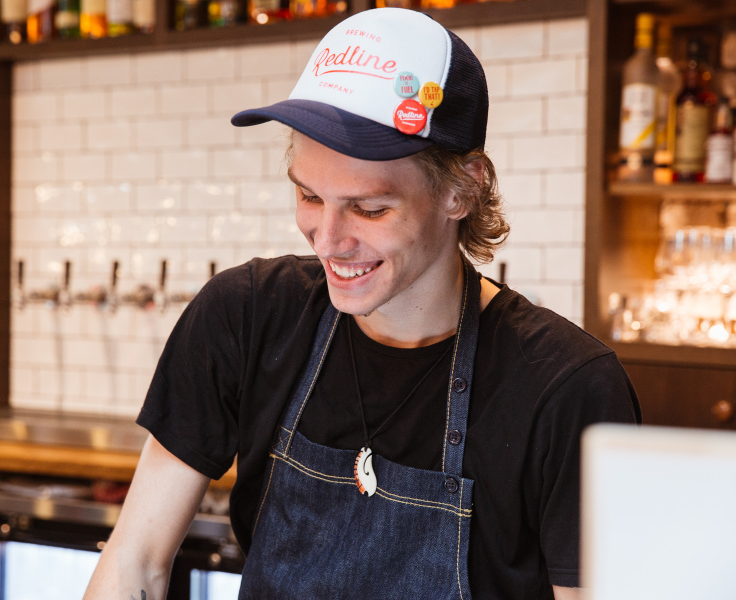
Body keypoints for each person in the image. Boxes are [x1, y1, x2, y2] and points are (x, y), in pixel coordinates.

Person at [84, 8, 640, 600]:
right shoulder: (246, 316)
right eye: (309, 196)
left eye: (370, 209)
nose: (327, 240)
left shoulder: (566, 389)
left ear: (462, 189)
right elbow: (135, 562)